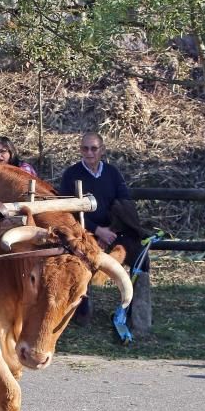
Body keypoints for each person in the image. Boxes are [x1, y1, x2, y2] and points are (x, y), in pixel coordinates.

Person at [59, 132, 147, 322]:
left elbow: (124, 203)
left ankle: (137, 313)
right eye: (85, 148)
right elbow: (67, 211)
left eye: (93, 148)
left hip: (115, 231)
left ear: (102, 150)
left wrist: (111, 232)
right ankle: (81, 311)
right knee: (78, 260)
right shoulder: (71, 175)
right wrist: (96, 231)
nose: (89, 153)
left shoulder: (112, 173)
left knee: (141, 256)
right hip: (82, 232)